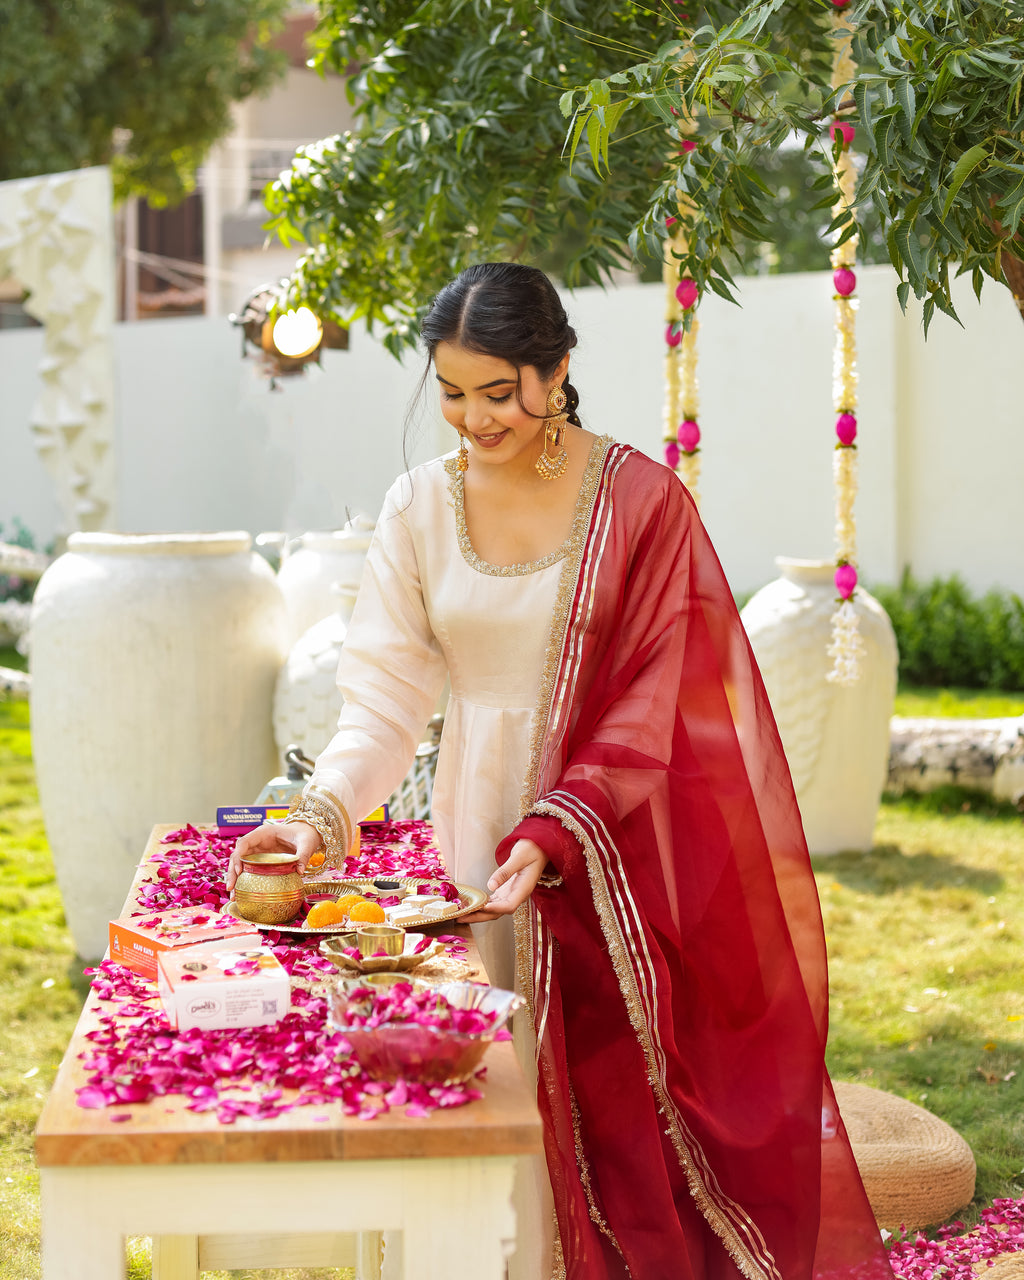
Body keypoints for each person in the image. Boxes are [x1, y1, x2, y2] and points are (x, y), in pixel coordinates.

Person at [227, 262, 892, 1280]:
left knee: (611, 1122)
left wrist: (554, 826)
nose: (473, 417)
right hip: (473, 860)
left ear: (558, 369)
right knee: (488, 1118)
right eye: (451, 391)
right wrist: (317, 816)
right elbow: (388, 703)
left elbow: (658, 694)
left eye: (500, 391)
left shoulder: (637, 501)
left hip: (612, 849)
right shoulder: (419, 507)